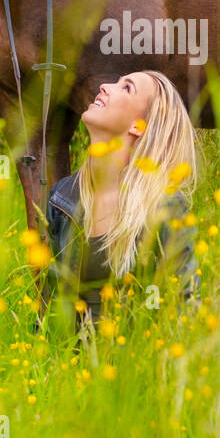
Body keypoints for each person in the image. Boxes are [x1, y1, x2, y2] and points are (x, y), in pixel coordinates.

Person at [41, 70, 200, 330]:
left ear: (138, 126)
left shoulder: (164, 206)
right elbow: (51, 311)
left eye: (126, 88)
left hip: (136, 363)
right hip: (74, 366)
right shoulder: (62, 198)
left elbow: (184, 309)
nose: (105, 85)